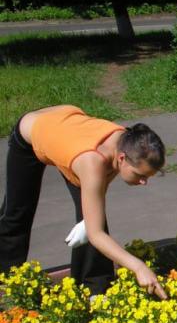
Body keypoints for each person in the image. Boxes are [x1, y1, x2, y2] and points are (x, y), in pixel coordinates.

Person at [0, 105, 167, 298]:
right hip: (32, 132)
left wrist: (88, 222)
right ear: (122, 158)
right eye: (140, 175)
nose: (144, 182)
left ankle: (94, 289)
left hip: (68, 134)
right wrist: (139, 267)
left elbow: (99, 191)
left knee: (92, 216)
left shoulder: (126, 141)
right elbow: (95, 234)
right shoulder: (92, 162)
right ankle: (6, 279)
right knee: (17, 213)